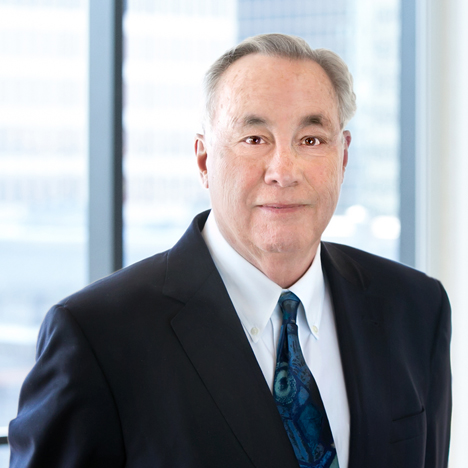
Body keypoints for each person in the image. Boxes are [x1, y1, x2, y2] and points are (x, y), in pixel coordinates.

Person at [9, 33, 451, 468]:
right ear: (204, 160)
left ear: (343, 156)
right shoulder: (97, 336)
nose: (284, 170)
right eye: (254, 140)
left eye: (311, 140)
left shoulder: (415, 309)